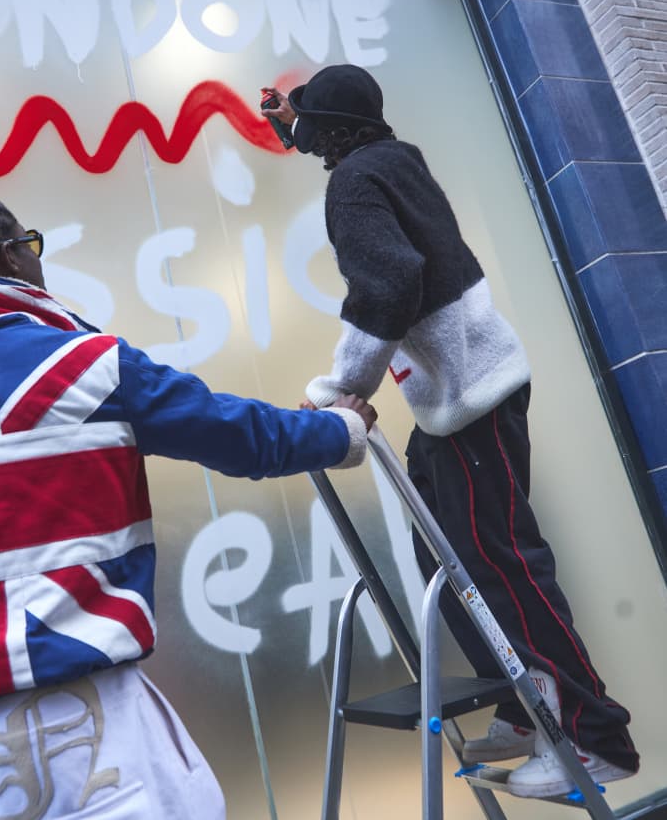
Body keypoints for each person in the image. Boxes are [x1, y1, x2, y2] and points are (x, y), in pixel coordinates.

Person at [0, 187, 377, 820]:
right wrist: (344, 430)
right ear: (9, 257)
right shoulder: (87, 365)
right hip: (86, 729)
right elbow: (240, 436)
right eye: (29, 245)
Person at [260, 64, 639, 799]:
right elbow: (401, 267)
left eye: (300, 116)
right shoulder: (394, 158)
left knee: (503, 563)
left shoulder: (355, 182)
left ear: (330, 127)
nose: (290, 125)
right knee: (446, 554)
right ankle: (524, 707)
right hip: (458, 401)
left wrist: (343, 390)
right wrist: (293, 113)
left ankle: (596, 737)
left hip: (471, 398)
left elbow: (389, 283)